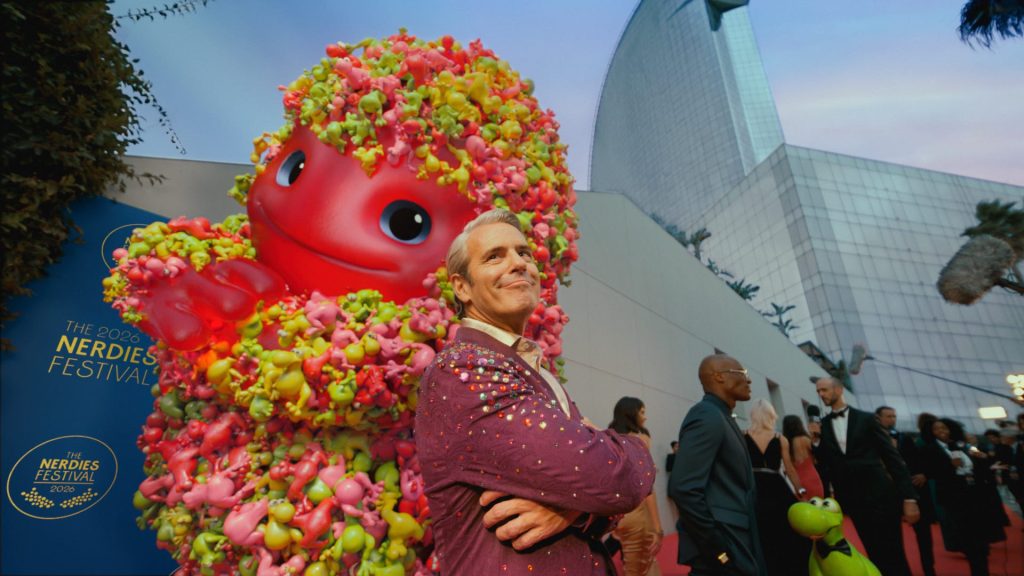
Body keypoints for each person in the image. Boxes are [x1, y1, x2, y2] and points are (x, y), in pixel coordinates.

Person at [416, 209, 656, 574]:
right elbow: (613, 478)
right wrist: (637, 449)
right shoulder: (464, 369)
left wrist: (574, 509)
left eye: (524, 252)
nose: (519, 263)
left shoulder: (528, 368)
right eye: (494, 256)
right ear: (462, 287)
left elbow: (606, 495)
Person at [668, 354, 766, 576]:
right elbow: (683, 488)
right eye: (742, 373)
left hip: (738, 538)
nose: (749, 380)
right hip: (725, 547)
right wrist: (718, 548)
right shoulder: (707, 415)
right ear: (719, 377)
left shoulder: (721, 416)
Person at [813, 377, 918, 576]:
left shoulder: (866, 419)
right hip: (853, 501)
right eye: (818, 391)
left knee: (894, 553)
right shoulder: (823, 425)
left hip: (881, 496)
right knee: (873, 552)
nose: (821, 394)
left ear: (839, 389)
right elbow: (827, 464)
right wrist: (817, 442)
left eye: (824, 390)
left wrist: (909, 497)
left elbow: (892, 458)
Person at [920, 418, 1006, 576]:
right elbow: (930, 472)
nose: (941, 431)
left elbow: (977, 466)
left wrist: (983, 460)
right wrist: (950, 465)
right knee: (967, 537)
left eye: (944, 427)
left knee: (980, 536)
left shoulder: (962, 445)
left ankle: (981, 568)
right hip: (954, 498)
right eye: (936, 429)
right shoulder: (929, 449)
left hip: (974, 494)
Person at [745, 400, 809, 576]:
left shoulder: (742, 436)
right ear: (771, 416)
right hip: (776, 486)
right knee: (785, 529)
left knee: (760, 531)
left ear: (753, 416)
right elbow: (789, 468)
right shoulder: (780, 439)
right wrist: (801, 492)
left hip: (753, 486)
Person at [878, 407, 937, 576]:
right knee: (891, 537)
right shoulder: (871, 440)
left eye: (894, 416)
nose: (892, 419)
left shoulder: (904, 438)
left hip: (912, 491)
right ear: (878, 418)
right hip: (887, 493)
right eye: (888, 416)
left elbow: (919, 461)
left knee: (924, 535)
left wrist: (923, 474)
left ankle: (929, 569)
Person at [609, 397, 664, 576]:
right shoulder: (640, 439)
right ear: (631, 413)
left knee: (634, 566)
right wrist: (658, 527)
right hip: (638, 516)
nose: (645, 417)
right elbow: (647, 488)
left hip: (621, 516)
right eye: (642, 412)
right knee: (640, 568)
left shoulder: (610, 439)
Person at [782, 415, 824, 498]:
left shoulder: (786, 444)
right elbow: (818, 456)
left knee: (804, 504)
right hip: (812, 477)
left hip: (797, 481)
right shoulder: (806, 439)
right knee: (818, 502)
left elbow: (788, 469)